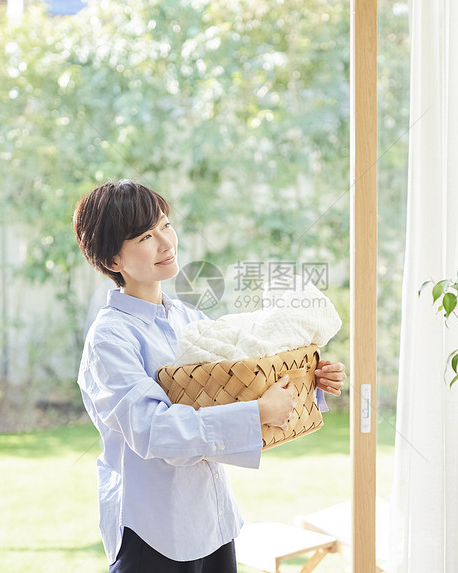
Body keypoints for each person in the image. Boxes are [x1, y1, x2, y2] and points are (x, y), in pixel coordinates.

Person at [73, 179, 346, 572]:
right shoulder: (110, 339)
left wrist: (308, 382)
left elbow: (236, 388)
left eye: (166, 225)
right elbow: (155, 431)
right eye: (146, 236)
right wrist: (256, 413)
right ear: (113, 261)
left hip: (213, 522)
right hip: (154, 532)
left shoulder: (188, 318)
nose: (167, 243)